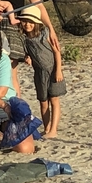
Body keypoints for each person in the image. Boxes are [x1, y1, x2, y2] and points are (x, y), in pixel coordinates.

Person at [19, 10, 65, 138]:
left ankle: (53, 129)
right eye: (25, 21)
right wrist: (27, 57)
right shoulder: (24, 39)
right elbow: (27, 53)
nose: (27, 24)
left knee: (54, 99)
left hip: (52, 70)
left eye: (30, 22)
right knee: (43, 101)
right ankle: (47, 128)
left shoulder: (45, 34)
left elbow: (57, 52)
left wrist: (58, 70)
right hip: (39, 73)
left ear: (36, 23)